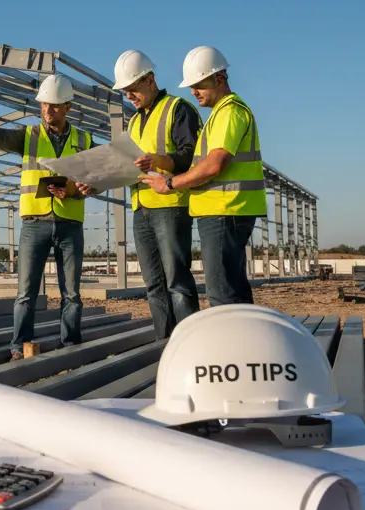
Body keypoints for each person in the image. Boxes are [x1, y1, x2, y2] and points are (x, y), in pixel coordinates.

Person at [0, 72, 92, 360]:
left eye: (53, 106)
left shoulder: (84, 139)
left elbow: (93, 180)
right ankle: (19, 345)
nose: (47, 111)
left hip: (70, 224)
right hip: (34, 224)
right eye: (43, 105)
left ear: (67, 106)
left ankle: (71, 345)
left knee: (73, 294)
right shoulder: (29, 136)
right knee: (26, 292)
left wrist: (75, 192)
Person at [140, 46, 266, 306]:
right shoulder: (221, 114)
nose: (193, 92)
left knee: (222, 295)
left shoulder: (229, 112)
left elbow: (214, 165)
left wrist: (171, 183)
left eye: (199, 85)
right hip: (225, 212)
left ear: (219, 79)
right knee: (232, 289)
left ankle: (230, 345)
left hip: (224, 211)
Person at [109, 49, 202, 339]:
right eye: (124, 92)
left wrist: (159, 161)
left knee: (177, 282)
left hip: (171, 206)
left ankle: (190, 345)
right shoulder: (134, 121)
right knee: (154, 285)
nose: (129, 96)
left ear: (150, 80)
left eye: (132, 89)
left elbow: (191, 156)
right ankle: (164, 344)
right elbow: (130, 164)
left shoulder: (179, 108)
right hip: (142, 208)